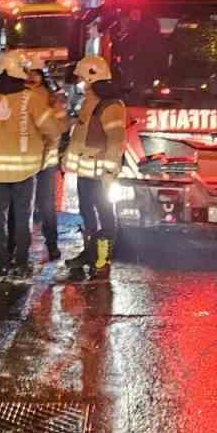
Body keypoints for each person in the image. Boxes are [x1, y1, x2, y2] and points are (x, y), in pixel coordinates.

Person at [0, 49, 61, 278]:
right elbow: (53, 130)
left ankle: (1, 262)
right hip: (25, 171)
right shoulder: (31, 99)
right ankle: (21, 262)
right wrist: (47, 149)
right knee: (22, 216)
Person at [63, 54, 126, 281]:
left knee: (105, 219)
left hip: (100, 176)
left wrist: (109, 174)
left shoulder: (111, 106)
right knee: (89, 217)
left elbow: (116, 140)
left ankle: (102, 261)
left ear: (92, 79)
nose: (80, 82)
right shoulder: (90, 101)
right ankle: (89, 254)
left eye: (82, 78)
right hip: (86, 173)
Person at [15, 58, 69, 261]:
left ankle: (52, 244)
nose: (30, 77)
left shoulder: (52, 98)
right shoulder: (17, 96)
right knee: (22, 204)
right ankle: (20, 249)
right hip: (25, 157)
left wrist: (53, 115)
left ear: (41, 75)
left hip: (46, 160)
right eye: (27, 73)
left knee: (46, 203)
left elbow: (62, 127)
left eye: (34, 73)